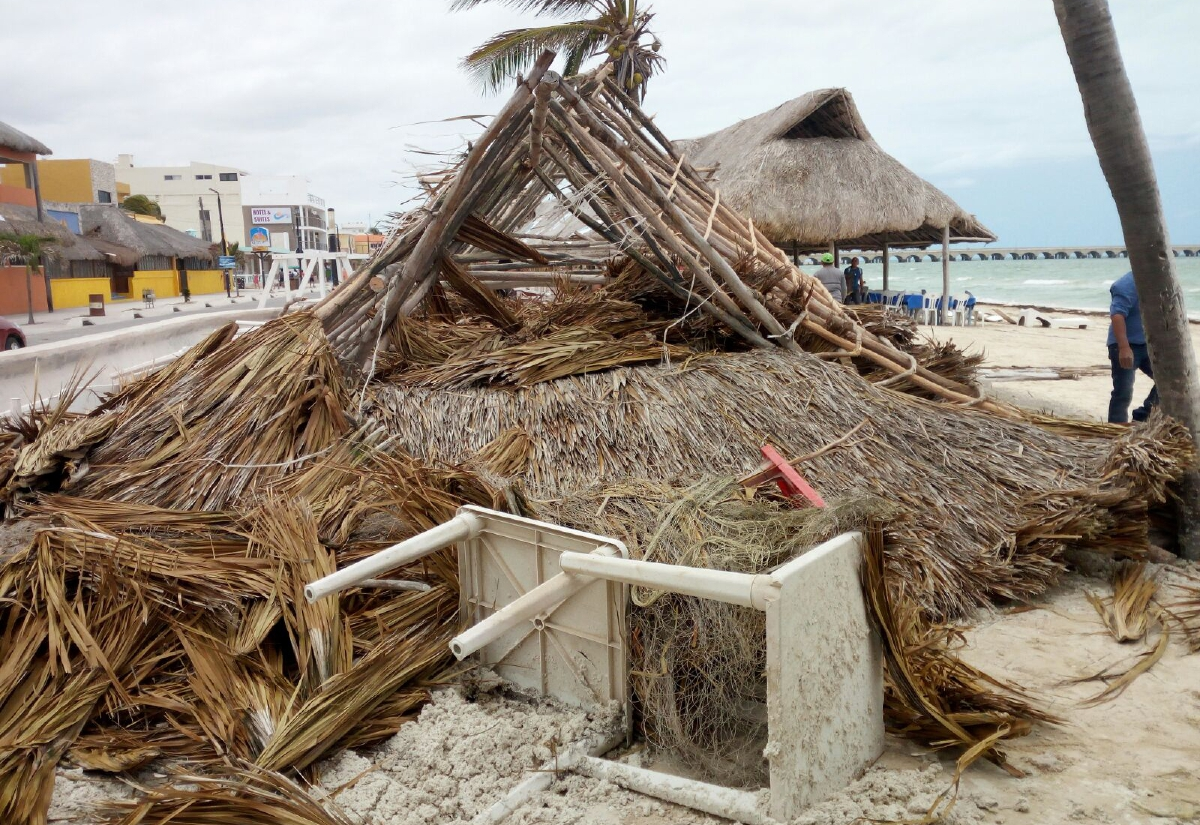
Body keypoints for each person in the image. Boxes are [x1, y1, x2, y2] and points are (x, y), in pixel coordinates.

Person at [1107, 270, 1158, 423]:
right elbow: (1117, 316)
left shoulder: (1157, 281)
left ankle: (1143, 415)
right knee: (1123, 391)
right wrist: (1124, 348)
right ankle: (1116, 429)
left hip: (1147, 344)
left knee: (1168, 382)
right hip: (1124, 344)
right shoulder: (1125, 285)